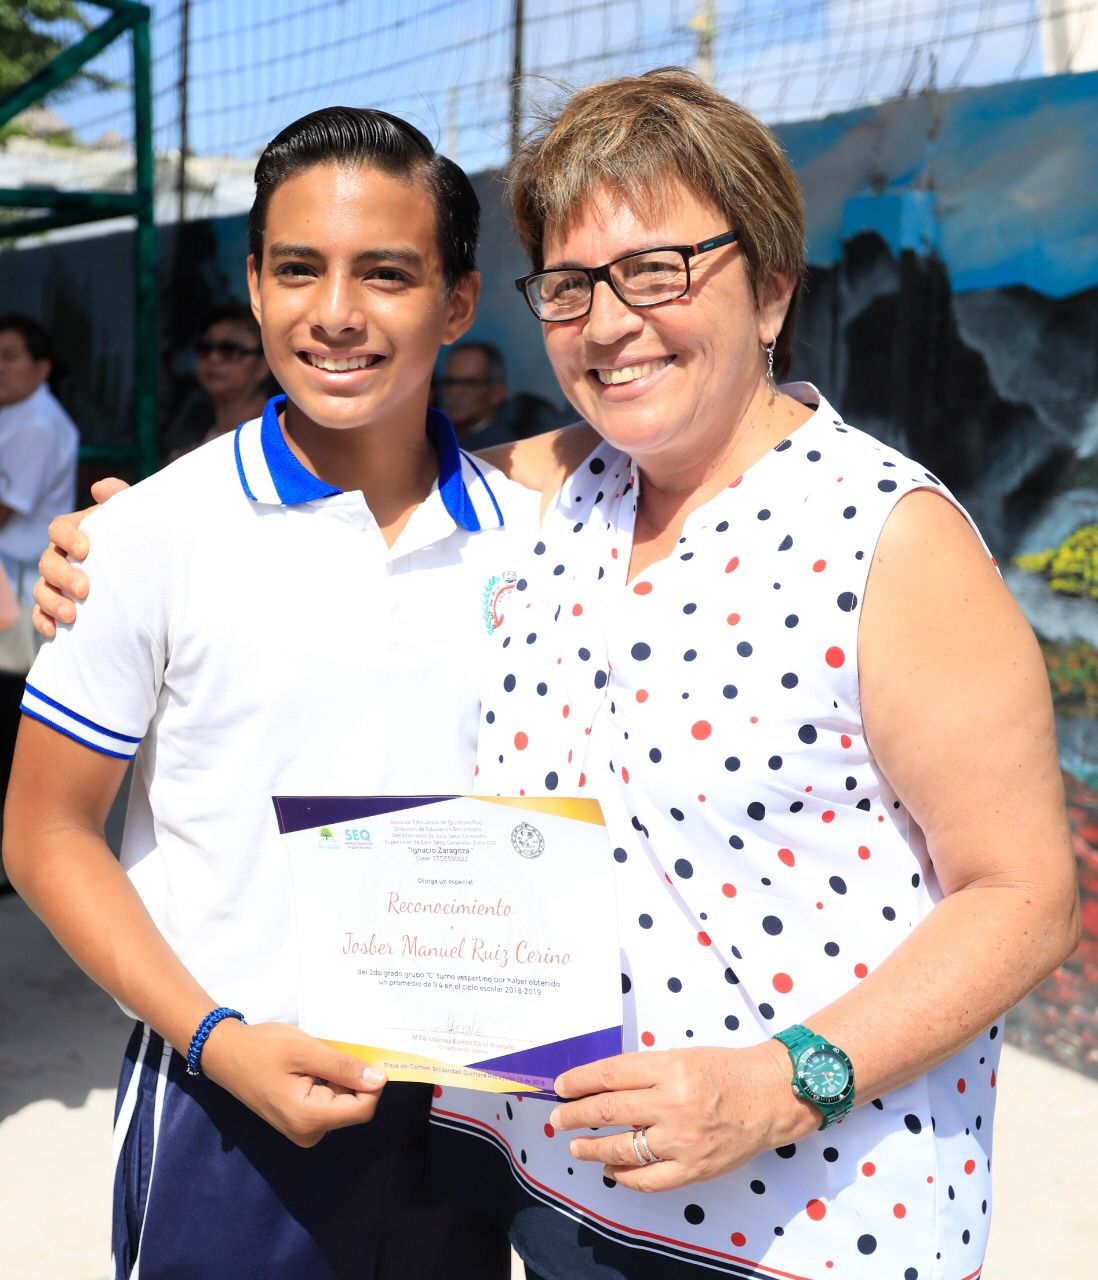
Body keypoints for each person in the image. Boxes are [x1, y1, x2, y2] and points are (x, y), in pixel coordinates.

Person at [31, 70, 1079, 1280]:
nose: (615, 321)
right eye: (575, 286)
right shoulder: (561, 498)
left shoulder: (886, 535)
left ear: (776, 289)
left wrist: (786, 1082)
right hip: (549, 1194)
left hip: (815, 1221)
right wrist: (126, 537)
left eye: (662, 269)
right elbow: (367, 465)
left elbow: (1025, 893)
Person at [3, 107, 533, 1280]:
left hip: (471, 1111)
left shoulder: (540, 545)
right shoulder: (144, 535)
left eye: (386, 272)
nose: (336, 311)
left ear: (455, 304)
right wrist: (214, 1038)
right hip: (225, 1107)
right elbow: (43, 832)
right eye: (299, 268)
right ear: (254, 282)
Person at [0, 313, 79, 863]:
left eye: (9, 356)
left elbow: (7, 509)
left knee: (10, 716)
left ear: (42, 366)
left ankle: (15, 856)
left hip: (18, 581)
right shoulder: (16, 416)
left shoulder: (37, 423)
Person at [164, 304, 274, 458]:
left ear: (265, 364)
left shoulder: (276, 432)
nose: (213, 358)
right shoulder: (189, 427)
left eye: (229, 350)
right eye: (205, 348)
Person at [438, 339, 565, 446]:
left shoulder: (501, 448)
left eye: (469, 383)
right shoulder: (440, 439)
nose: (455, 390)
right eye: (450, 382)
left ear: (496, 392)